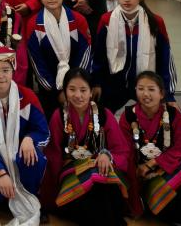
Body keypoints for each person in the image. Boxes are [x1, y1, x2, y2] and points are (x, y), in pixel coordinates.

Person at [39, 68, 130, 226]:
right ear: (65, 91)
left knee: (103, 186)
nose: (78, 95)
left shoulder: (104, 114)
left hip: (101, 169)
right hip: (71, 174)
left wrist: (106, 155)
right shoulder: (58, 116)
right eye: (72, 89)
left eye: (83, 90)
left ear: (91, 92)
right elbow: (53, 154)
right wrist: (54, 190)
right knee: (94, 195)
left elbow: (120, 149)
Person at [0, 45, 48, 224]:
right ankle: (7, 197)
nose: (0, 75)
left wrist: (30, 138)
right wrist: (0, 171)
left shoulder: (27, 96)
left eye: (5, 70)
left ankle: (29, 194)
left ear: (13, 71)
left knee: (34, 158)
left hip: (20, 157)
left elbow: (43, 131)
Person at [122, 71, 181, 225]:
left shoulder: (173, 114)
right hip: (142, 175)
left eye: (151, 89)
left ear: (161, 93)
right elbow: (124, 150)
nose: (145, 94)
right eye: (140, 89)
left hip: (168, 166)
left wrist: (154, 162)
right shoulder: (128, 116)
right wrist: (138, 175)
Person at [93, 0, 176, 111]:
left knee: (160, 117)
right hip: (114, 83)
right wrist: (96, 83)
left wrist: (168, 94)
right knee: (100, 116)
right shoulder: (106, 20)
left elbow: (165, 59)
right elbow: (99, 55)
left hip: (145, 85)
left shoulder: (155, 22)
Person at [27, 0, 92, 121]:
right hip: (49, 91)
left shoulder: (78, 20)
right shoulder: (33, 25)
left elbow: (85, 55)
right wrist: (57, 92)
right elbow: (38, 65)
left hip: (78, 89)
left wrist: (73, 87)